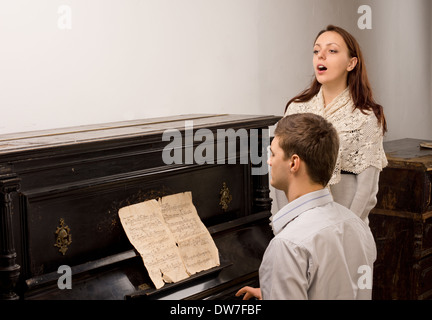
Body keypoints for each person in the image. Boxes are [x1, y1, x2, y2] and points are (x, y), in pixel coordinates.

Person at [236, 113, 377, 300]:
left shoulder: (288, 245)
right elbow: (345, 287)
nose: (269, 161)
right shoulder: (358, 226)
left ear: (293, 163)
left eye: (273, 154)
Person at [274, 25, 387, 224]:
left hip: (346, 223)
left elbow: (367, 189)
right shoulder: (295, 109)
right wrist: (286, 224)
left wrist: (345, 232)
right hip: (299, 222)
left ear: (351, 63)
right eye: (316, 51)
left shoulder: (366, 116)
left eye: (332, 50)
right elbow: (279, 171)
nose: (321, 56)